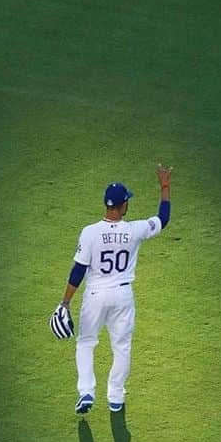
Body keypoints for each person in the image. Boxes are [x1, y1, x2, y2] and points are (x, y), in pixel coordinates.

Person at [57, 164, 172, 414]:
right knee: (121, 346)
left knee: (86, 342)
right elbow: (163, 219)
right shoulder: (134, 230)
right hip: (122, 296)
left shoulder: (90, 232)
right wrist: (164, 187)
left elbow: (78, 271)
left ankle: (86, 391)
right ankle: (116, 397)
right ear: (123, 206)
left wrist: (65, 302)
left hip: (95, 295)